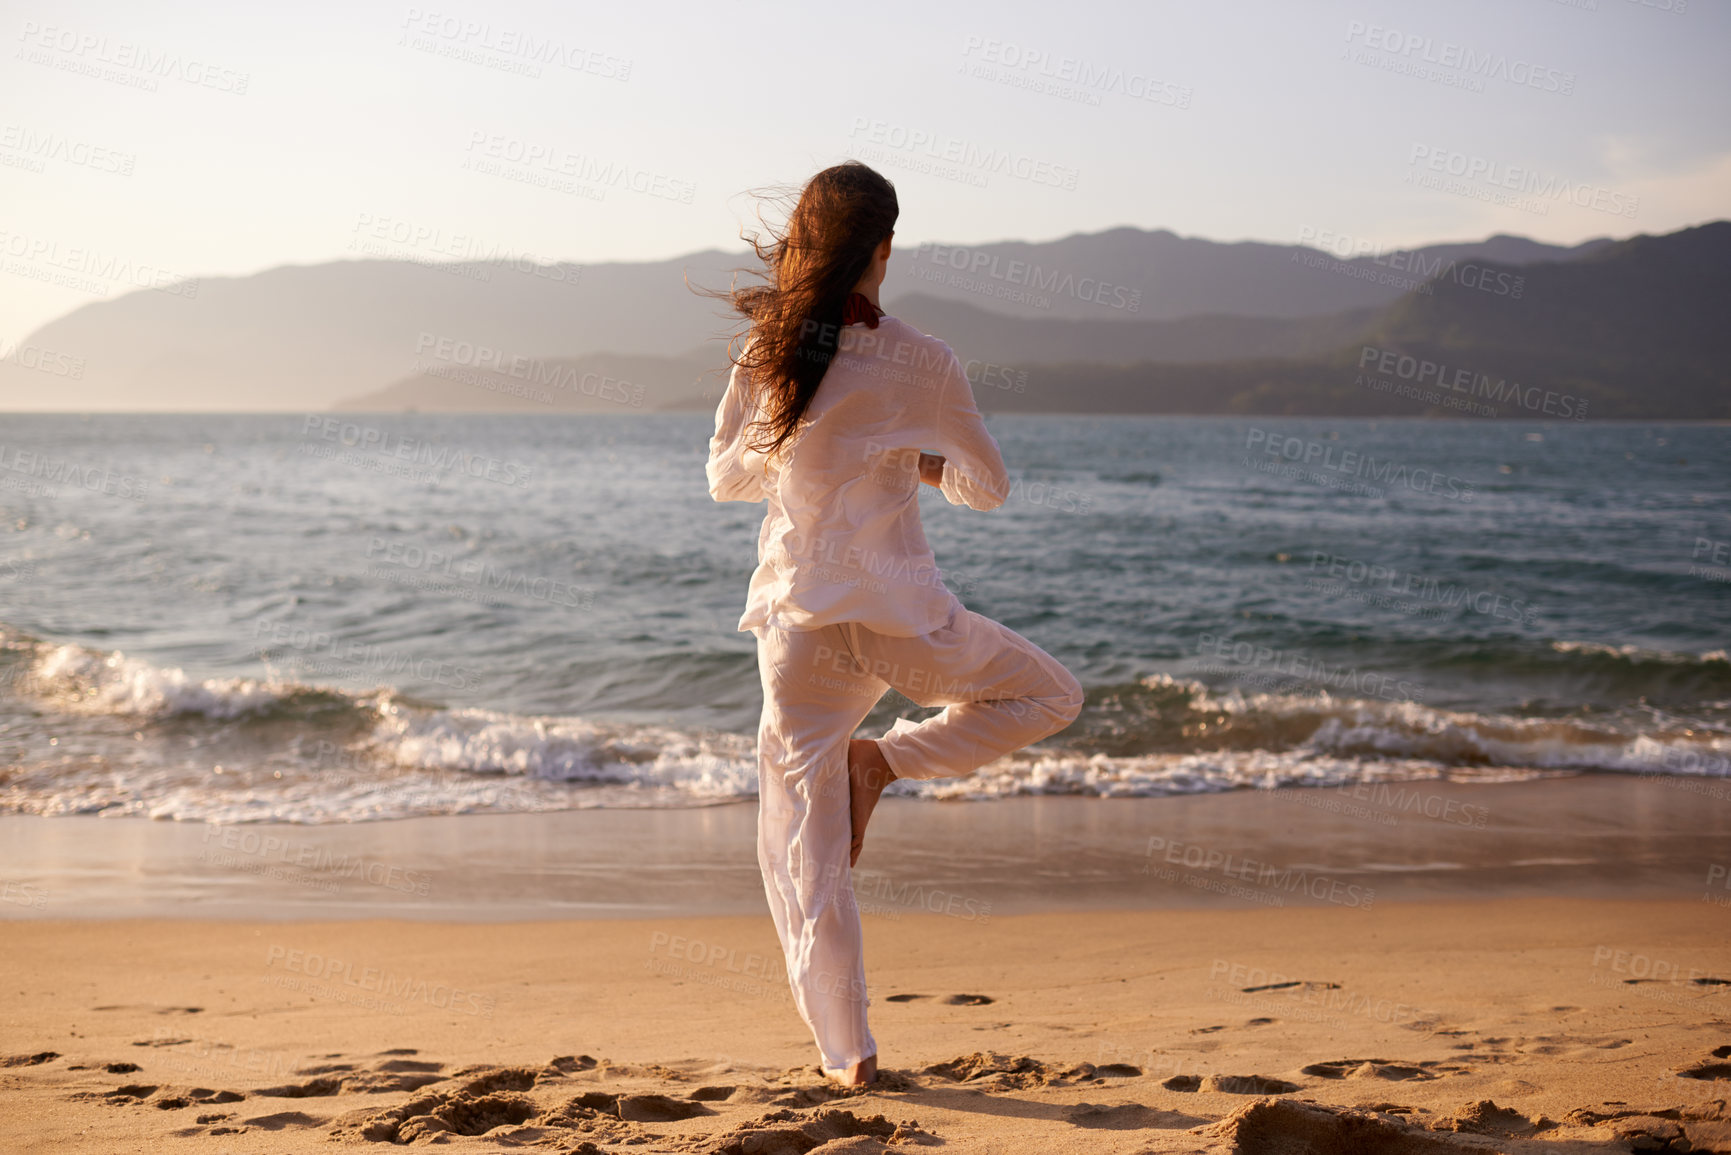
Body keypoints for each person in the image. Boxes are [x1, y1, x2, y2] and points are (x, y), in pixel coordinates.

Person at [703, 161, 1084, 1086]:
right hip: (903, 619)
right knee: (1048, 693)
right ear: (884, 248)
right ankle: (891, 758)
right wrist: (912, 460)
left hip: (798, 624)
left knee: (804, 843)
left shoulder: (768, 351)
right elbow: (986, 490)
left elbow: (725, 478)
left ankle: (850, 1056)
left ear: (804, 245)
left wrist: (805, 450)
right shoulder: (928, 358)